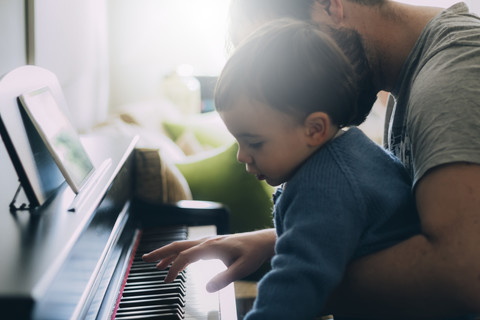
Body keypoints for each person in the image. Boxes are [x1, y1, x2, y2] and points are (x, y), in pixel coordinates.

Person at [144, 1, 480, 318]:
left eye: (284, 60)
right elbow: (398, 225)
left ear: (330, 5)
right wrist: (275, 242)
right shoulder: (410, 79)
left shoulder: (452, 76)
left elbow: (462, 273)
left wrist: (303, 286)